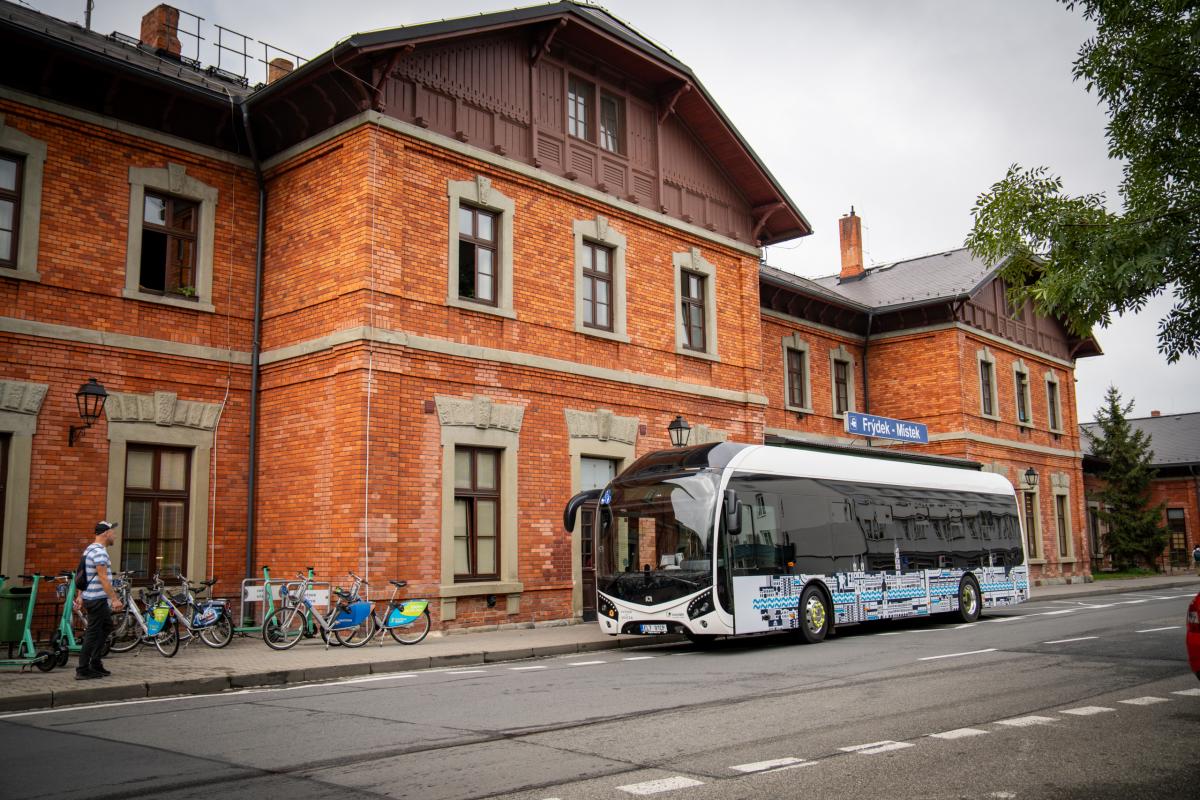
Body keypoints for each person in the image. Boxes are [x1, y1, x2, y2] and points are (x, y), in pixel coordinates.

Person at [74, 521, 124, 680]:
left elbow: (83, 574)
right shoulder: (100, 553)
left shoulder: (89, 549)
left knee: (106, 626)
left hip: (92, 597)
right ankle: (83, 668)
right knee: (93, 632)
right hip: (97, 598)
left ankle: (95, 662)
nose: (114, 535)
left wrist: (80, 595)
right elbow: (103, 578)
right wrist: (114, 599)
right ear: (105, 533)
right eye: (112, 532)